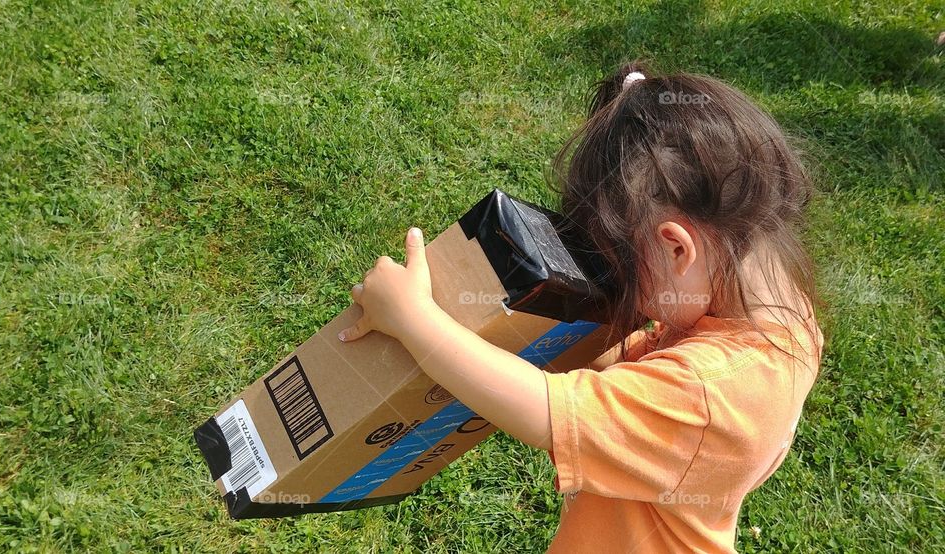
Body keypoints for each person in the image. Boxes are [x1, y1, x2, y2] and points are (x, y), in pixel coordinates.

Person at [337, 61, 824, 553]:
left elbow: (545, 411)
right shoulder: (786, 319)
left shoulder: (706, 396)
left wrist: (414, 319)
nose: (621, 289)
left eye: (622, 267)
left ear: (677, 248)